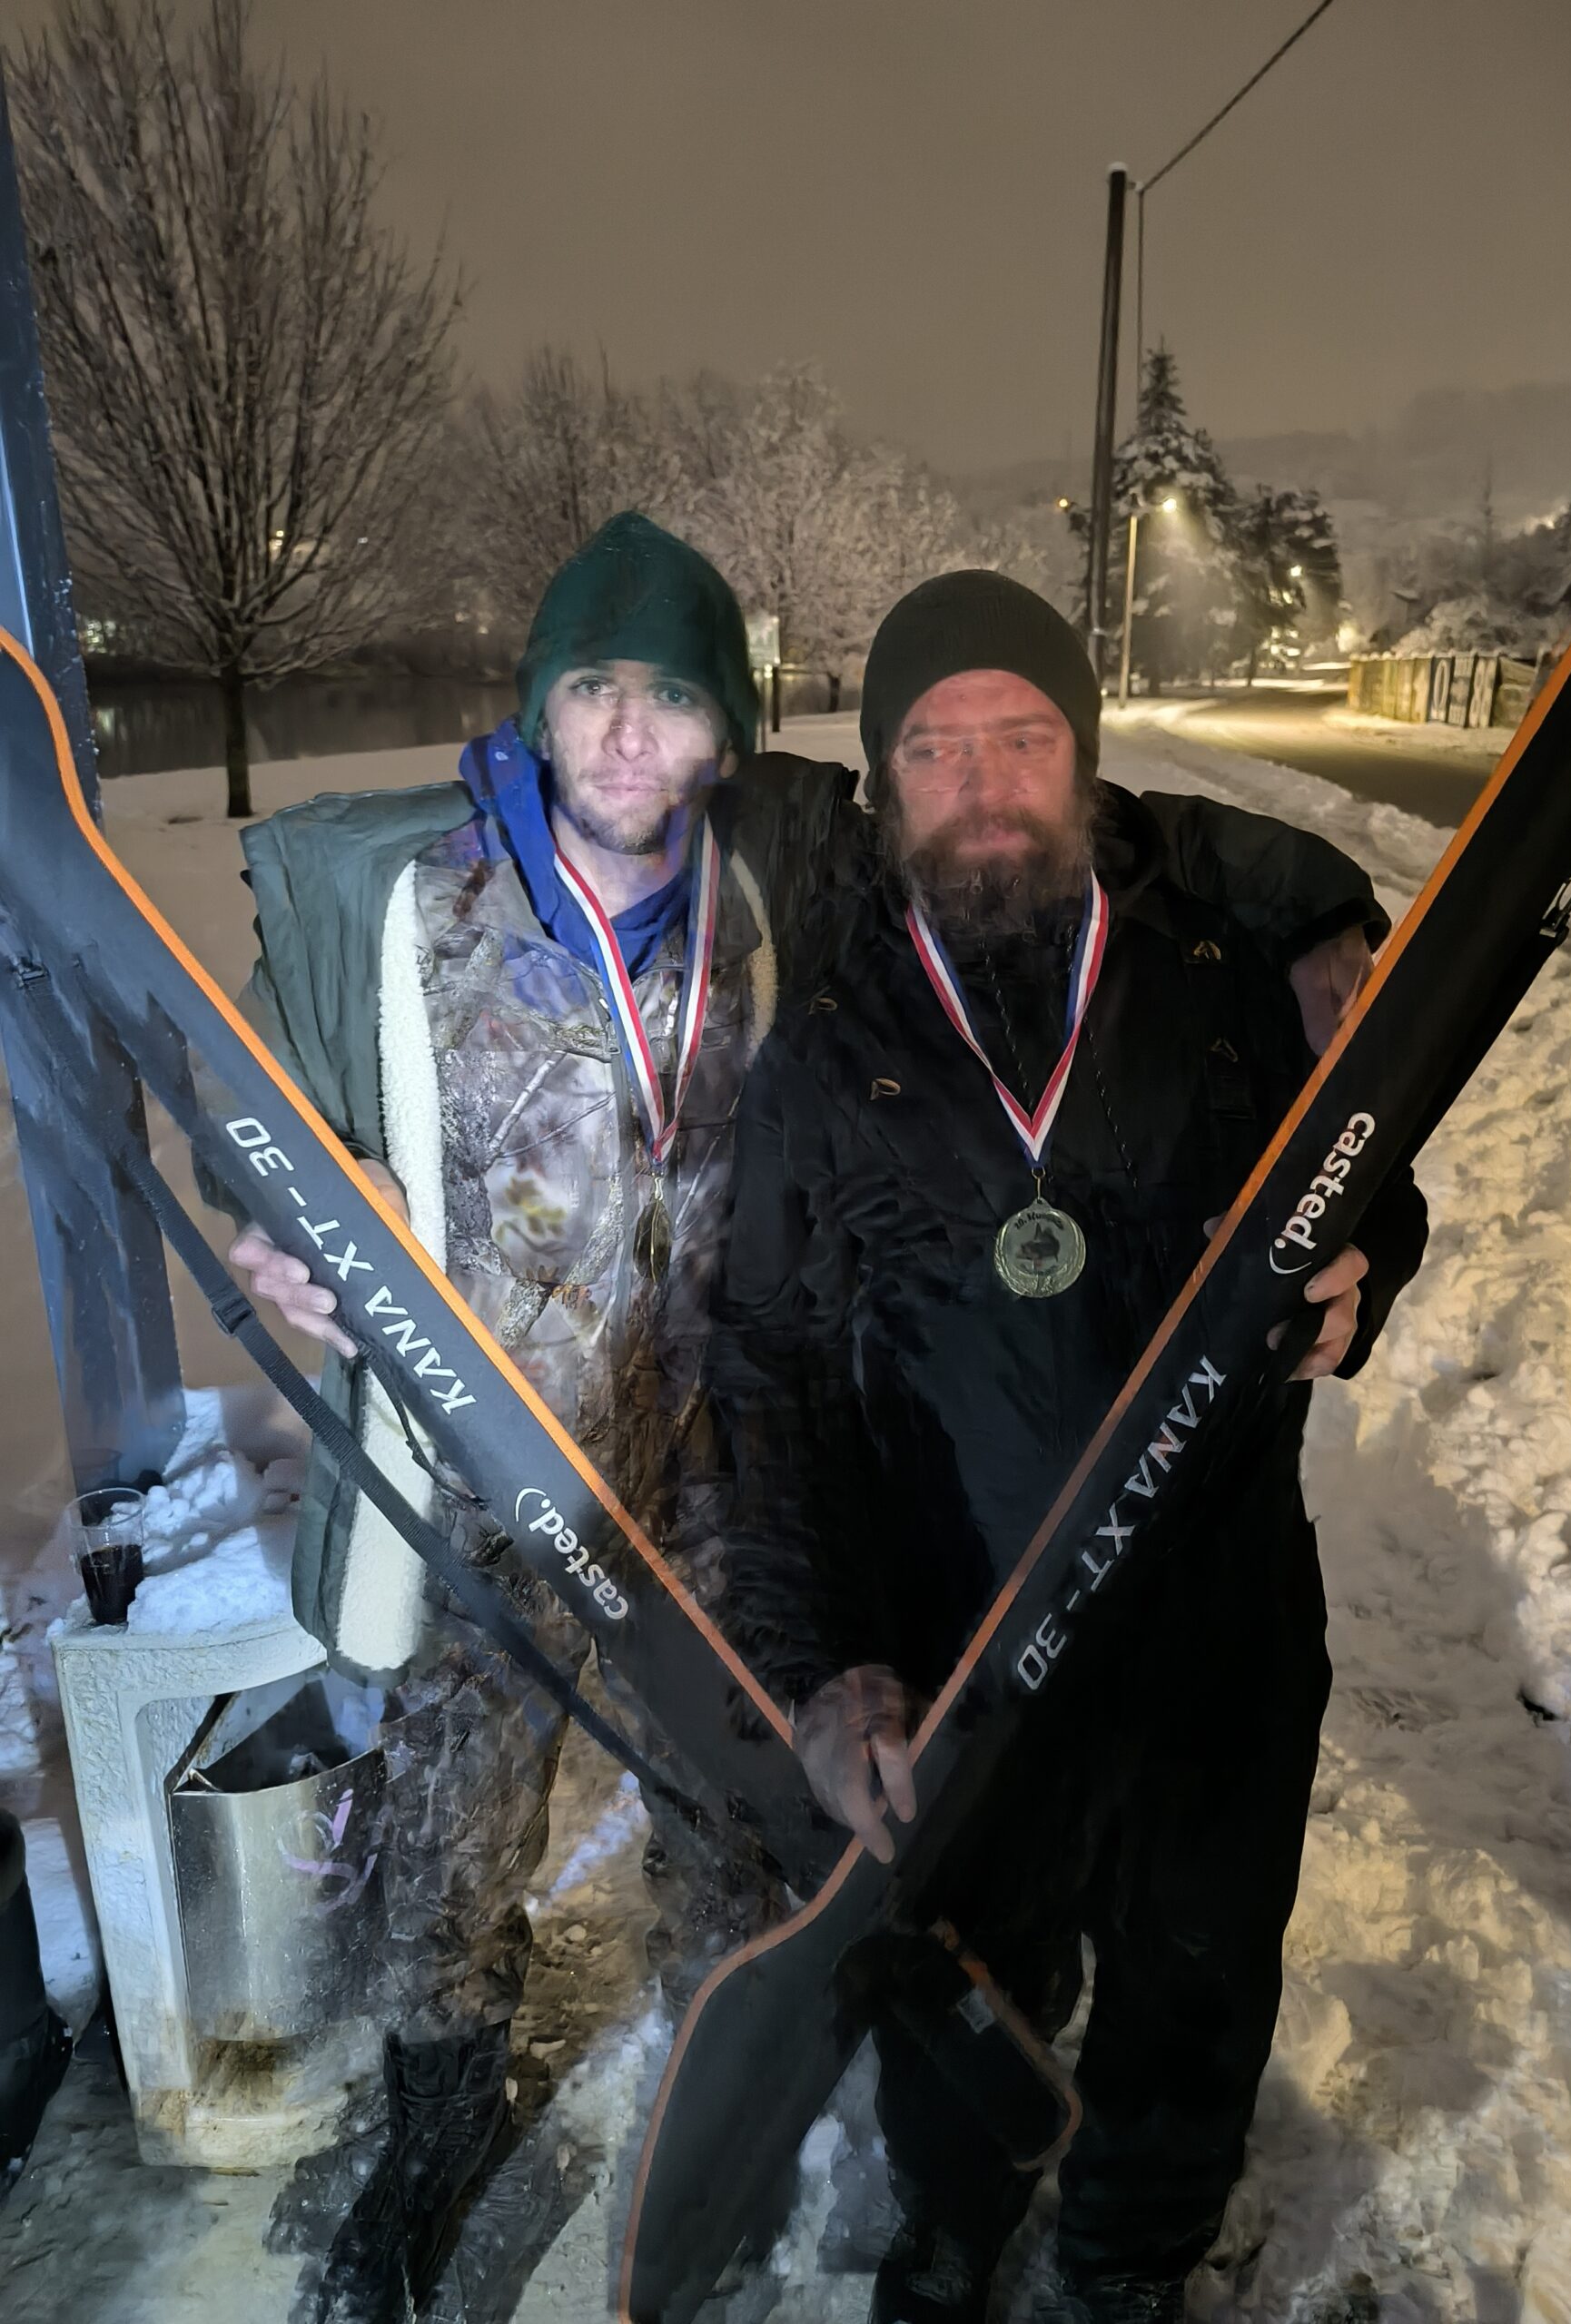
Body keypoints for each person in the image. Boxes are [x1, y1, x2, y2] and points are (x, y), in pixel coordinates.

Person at [231, 517, 1395, 2321]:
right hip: (488, 1469)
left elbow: (1065, 818)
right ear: (540, 709)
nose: (630, 736)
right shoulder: (389, 899)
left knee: (741, 1838)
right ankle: (436, 2113)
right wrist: (271, 1244)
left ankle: (743, 2098)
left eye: (673, 698)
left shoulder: (784, 876)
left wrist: (1322, 904)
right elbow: (261, 1130)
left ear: (733, 732)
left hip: (712, 1476)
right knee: (451, 1830)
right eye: (592, 692)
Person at [708, 571, 1430, 2324]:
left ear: (1087, 762)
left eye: (1023, 737)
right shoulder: (827, 1048)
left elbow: (1370, 1189)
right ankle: (954, 2226)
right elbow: (773, 1377)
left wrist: (1367, 1273)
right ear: (884, 789)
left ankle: (1129, 2260)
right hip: (964, 1641)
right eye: (935, 748)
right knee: (965, 1962)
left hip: (1216, 1619)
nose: (985, 784)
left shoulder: (1229, 984)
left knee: (1196, 1977)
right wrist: (821, 1668)